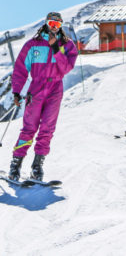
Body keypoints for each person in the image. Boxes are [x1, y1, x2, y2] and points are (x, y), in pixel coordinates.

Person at [8, 12, 78, 181]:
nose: (54, 26)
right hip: (37, 88)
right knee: (29, 128)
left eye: (57, 24)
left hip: (55, 88)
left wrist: (56, 48)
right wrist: (17, 91)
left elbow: (66, 68)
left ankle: (37, 166)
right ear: (46, 23)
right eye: (51, 23)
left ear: (61, 26)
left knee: (47, 128)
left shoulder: (67, 46)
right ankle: (16, 164)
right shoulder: (33, 45)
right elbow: (20, 69)